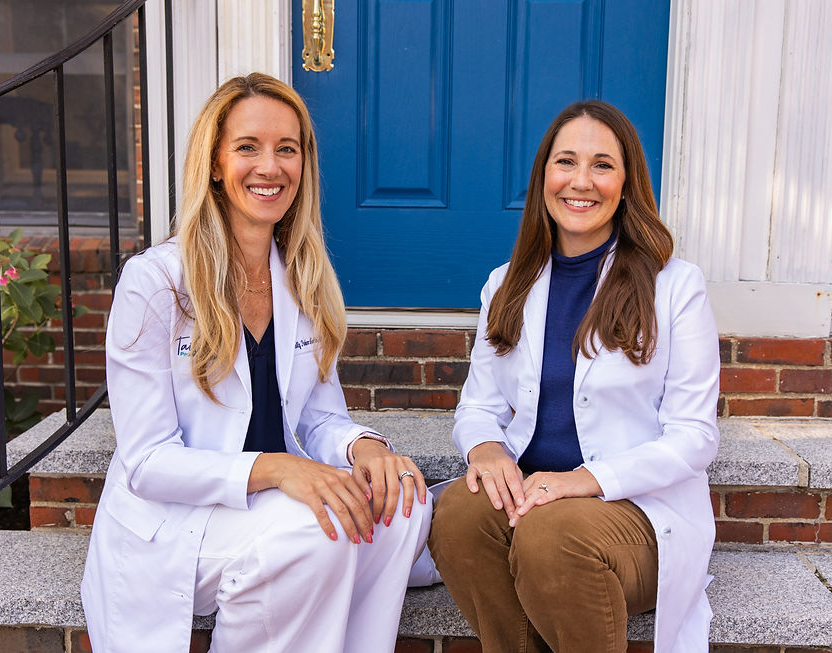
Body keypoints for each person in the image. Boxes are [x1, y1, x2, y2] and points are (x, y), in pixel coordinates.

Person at [81, 73, 431, 653]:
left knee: (403, 508)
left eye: (286, 149)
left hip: (268, 513)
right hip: (179, 524)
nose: (270, 167)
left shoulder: (302, 275)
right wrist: (273, 469)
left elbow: (318, 418)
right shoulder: (156, 282)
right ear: (215, 163)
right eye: (248, 147)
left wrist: (366, 448)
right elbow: (147, 463)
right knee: (319, 530)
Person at [428, 100, 720, 652]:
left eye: (603, 165)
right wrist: (486, 449)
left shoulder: (675, 287)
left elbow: (695, 437)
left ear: (628, 181)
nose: (581, 181)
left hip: (634, 513)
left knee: (551, 534)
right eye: (566, 162)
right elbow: (479, 406)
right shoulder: (506, 283)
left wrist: (581, 481)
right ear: (544, 177)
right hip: (536, 499)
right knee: (460, 515)